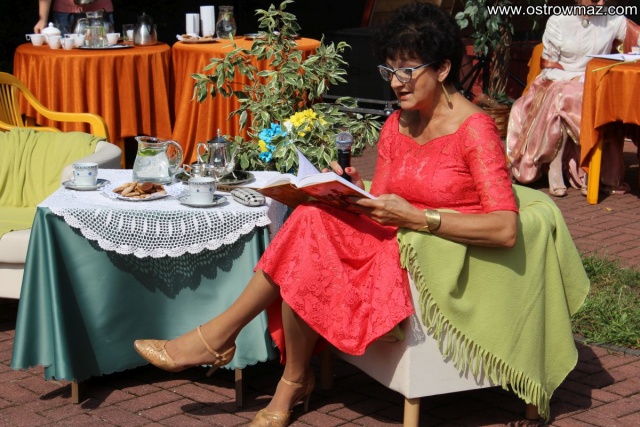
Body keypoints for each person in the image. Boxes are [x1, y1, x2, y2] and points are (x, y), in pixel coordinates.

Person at [133, 3, 518, 426]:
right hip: (393, 236)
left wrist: (420, 219)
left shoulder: (476, 130)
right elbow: (384, 198)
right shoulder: (399, 123)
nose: (395, 82)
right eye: (389, 70)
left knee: (308, 240)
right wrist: (351, 189)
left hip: (432, 251)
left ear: (443, 69)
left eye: (407, 71)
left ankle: (235, 346)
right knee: (311, 218)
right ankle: (273, 367)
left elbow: (505, 228)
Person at [506, 0, 638, 197]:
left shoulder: (613, 18)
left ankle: (587, 168)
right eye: (595, 0)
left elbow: (636, 39)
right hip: (558, 79)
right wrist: (575, 79)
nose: (600, 3)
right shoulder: (558, 21)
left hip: (596, 83)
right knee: (566, 94)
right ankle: (557, 163)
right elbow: (549, 66)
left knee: (574, 95)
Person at [34, 0, 114, 36]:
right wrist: (43, 18)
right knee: (66, 60)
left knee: (102, 58)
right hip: (64, 16)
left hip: (100, 14)